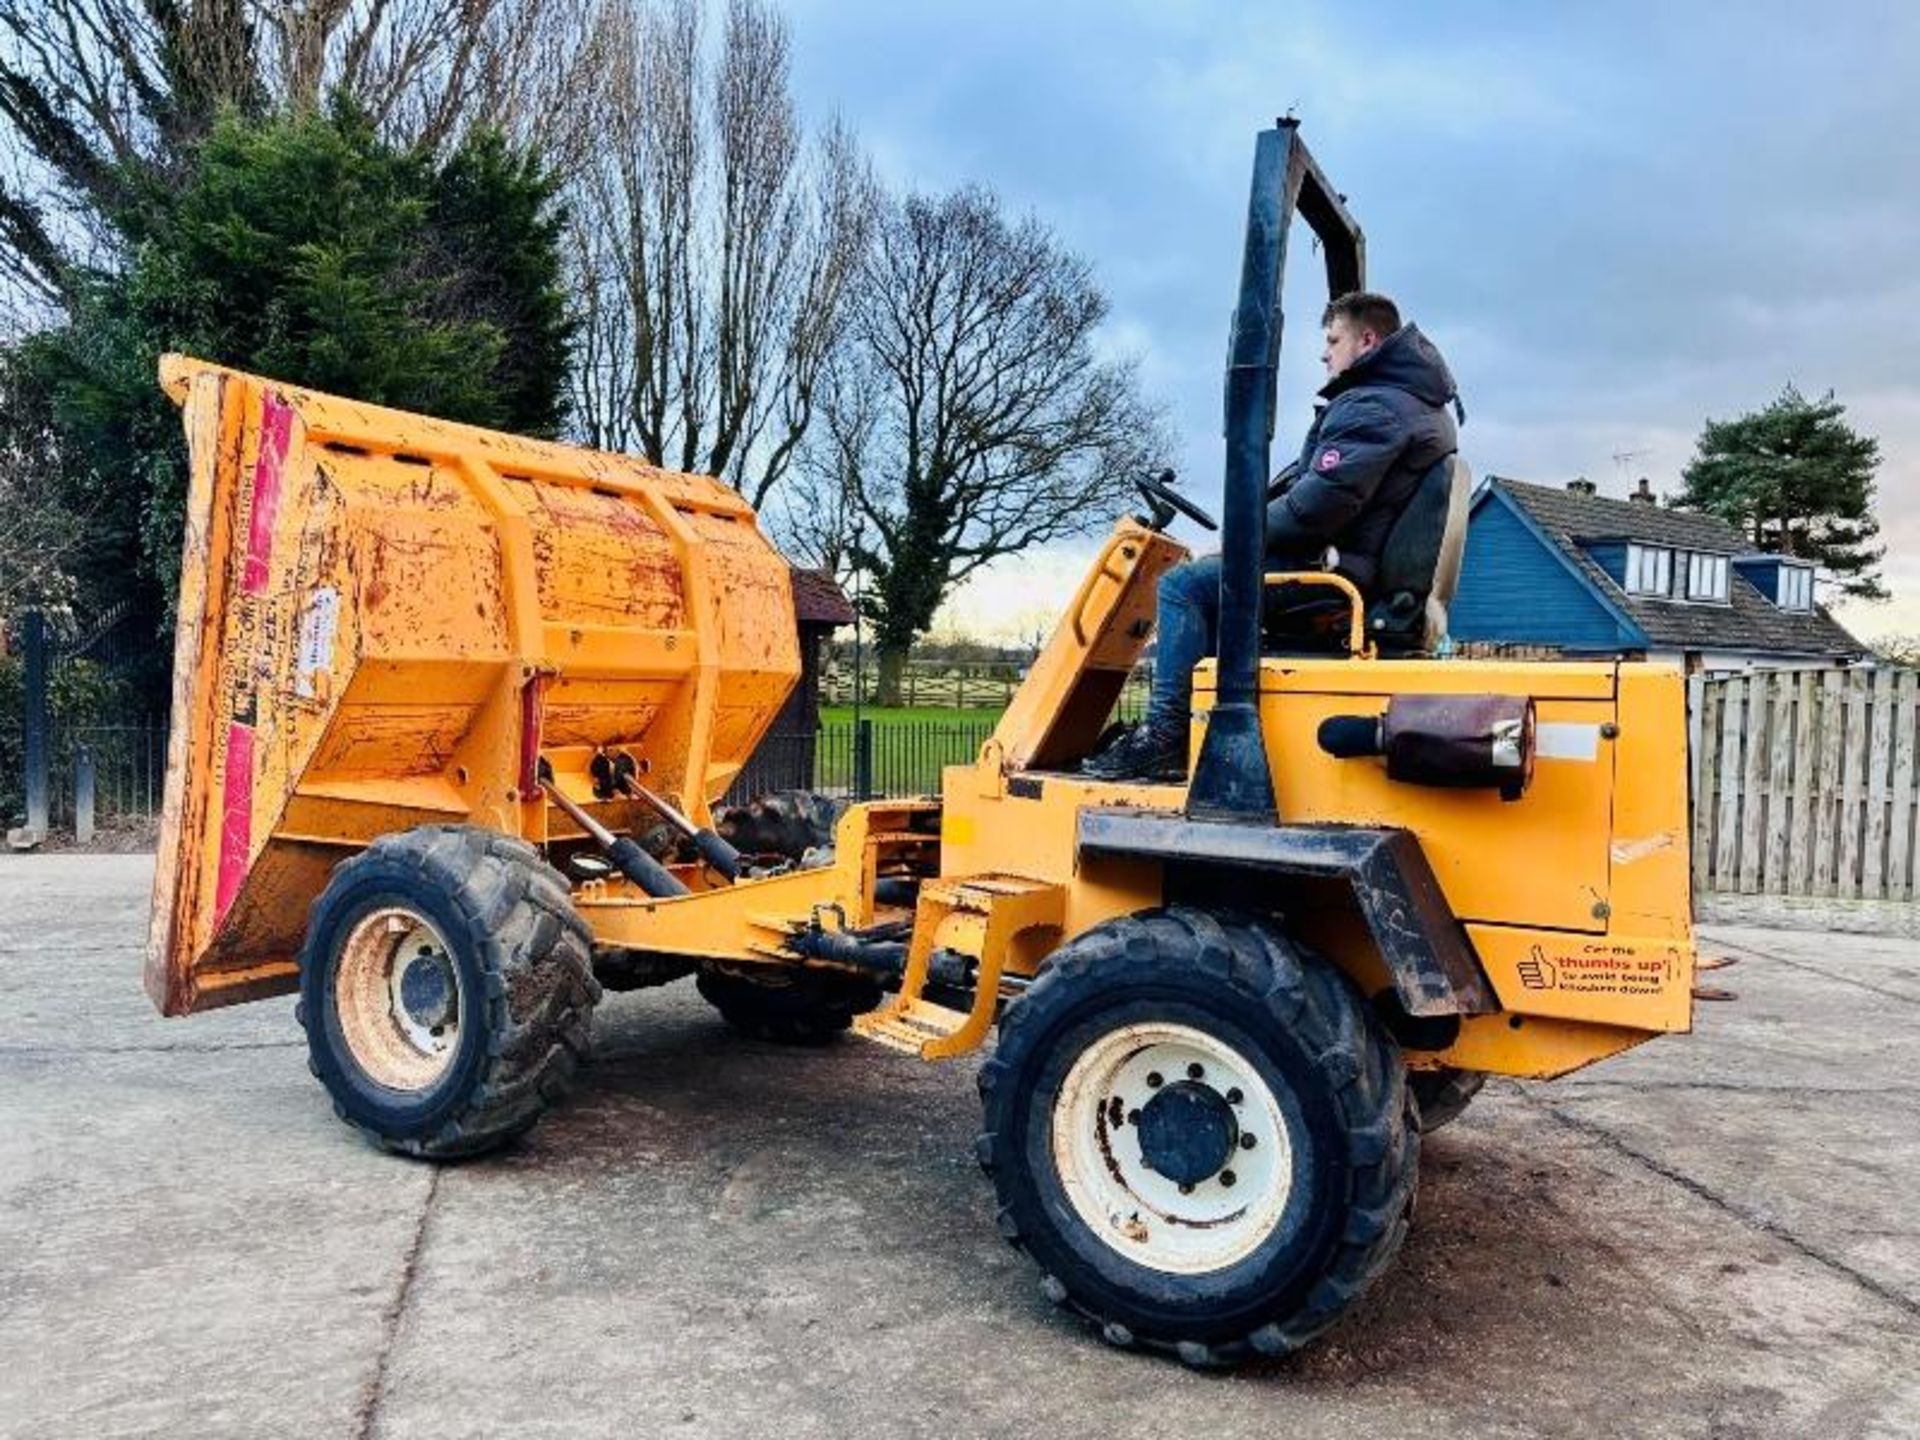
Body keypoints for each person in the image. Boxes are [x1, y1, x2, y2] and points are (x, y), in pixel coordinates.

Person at [1086, 290, 1461, 781]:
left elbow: (1316, 507)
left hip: (1335, 573)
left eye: (1333, 339)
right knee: (1214, 584)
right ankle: (1197, 729)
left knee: (1182, 587)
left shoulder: (1374, 408)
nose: (1325, 353)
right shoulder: (1412, 405)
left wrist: (1242, 535)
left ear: (1367, 340)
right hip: (1353, 565)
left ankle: (1164, 738)